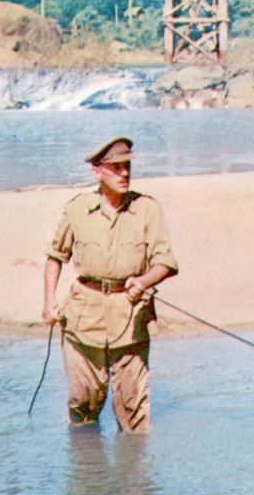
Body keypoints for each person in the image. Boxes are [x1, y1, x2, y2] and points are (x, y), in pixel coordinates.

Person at [42, 136, 178, 433]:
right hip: (83, 319)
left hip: (130, 318)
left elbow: (165, 263)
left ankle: (134, 478)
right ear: (97, 171)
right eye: (116, 167)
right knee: (82, 403)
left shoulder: (147, 209)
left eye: (127, 166)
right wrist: (49, 300)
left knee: (133, 411)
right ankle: (88, 473)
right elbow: (55, 257)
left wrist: (143, 280)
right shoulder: (77, 209)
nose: (125, 173)